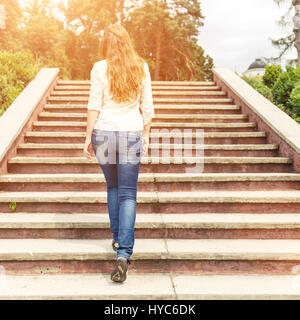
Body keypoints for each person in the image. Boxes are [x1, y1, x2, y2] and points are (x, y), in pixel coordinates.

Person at [83, 23, 154, 283]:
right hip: (130, 133)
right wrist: (144, 135)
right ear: (127, 41)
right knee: (128, 195)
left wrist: (87, 136)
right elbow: (148, 108)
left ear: (106, 43)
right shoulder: (141, 67)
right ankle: (123, 254)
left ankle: (116, 238)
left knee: (113, 188)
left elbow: (94, 104)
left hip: (104, 132)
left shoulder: (99, 67)